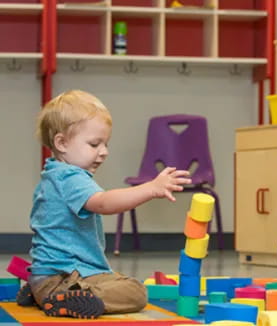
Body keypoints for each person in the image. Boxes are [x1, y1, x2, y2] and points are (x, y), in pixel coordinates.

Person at [18, 90, 192, 319]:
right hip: (65, 277)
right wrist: (150, 188)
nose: (104, 152)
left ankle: (43, 292)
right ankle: (67, 296)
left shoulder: (52, 174)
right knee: (136, 291)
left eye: (105, 144)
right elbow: (103, 203)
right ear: (61, 142)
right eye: (94, 144)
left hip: (46, 276)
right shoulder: (70, 178)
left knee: (118, 281)